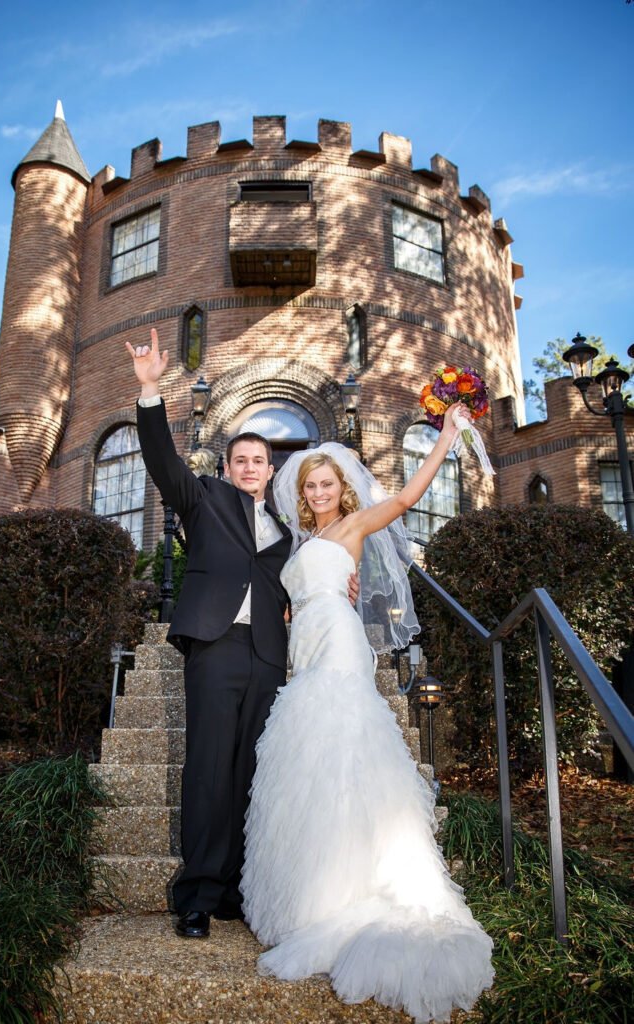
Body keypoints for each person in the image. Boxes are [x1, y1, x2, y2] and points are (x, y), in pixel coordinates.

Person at [241, 406, 494, 1023]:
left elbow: (407, 497)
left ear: (343, 488)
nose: (319, 492)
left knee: (345, 752)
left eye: (327, 483)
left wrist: (447, 438)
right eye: (310, 486)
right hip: (306, 650)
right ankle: (314, 887)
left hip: (340, 648)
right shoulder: (301, 542)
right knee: (310, 766)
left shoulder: (355, 525)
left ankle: (356, 888)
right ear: (302, 494)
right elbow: (297, 592)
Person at [125, 330, 357, 939]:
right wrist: (150, 389)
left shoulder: (287, 532)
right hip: (215, 647)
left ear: (271, 469)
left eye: (259, 461)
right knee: (206, 767)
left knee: (249, 770)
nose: (250, 468)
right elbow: (160, 461)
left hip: (268, 657)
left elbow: (308, 578)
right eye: (240, 461)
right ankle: (196, 895)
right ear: (227, 469)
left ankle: (230, 887)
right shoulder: (203, 500)